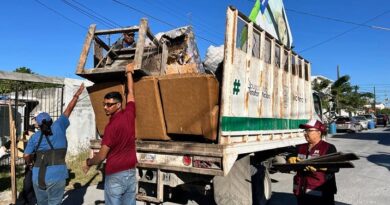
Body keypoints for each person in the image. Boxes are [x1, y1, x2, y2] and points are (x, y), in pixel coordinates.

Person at [82, 62, 137, 205]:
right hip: (130, 174)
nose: (105, 107)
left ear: (118, 105)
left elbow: (101, 156)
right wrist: (129, 73)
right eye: (104, 104)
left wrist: (89, 162)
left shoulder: (111, 127)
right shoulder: (129, 114)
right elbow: (131, 92)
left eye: (109, 104)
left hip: (115, 175)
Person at [23, 83, 85, 205]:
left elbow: (26, 155)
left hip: (38, 175)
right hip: (57, 175)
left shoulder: (34, 137)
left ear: (38, 125)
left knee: (42, 203)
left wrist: (29, 162)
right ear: (51, 120)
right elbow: (68, 110)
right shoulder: (59, 126)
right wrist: (76, 96)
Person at [288, 119, 338, 205]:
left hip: (321, 192)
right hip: (301, 190)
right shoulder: (300, 147)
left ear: (319, 132)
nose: (305, 133)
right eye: (305, 130)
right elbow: (291, 155)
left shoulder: (328, 148)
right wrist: (290, 158)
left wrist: (318, 167)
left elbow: (335, 167)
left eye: (309, 130)